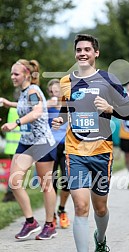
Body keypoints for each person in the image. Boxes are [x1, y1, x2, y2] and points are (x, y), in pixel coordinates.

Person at [52, 34, 129, 252]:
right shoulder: (65, 81)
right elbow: (65, 109)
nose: (82, 53)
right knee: (80, 206)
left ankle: (100, 239)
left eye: (87, 49)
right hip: (75, 151)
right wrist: (60, 118)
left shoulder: (109, 80)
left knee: (100, 208)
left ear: (96, 53)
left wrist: (110, 109)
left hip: (101, 151)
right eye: (79, 50)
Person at [0, 59, 57, 240]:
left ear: (26, 74)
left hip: (41, 143)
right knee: (14, 182)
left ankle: (50, 225)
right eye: (11, 74)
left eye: (16, 74)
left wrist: (15, 123)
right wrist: (10, 103)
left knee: (45, 185)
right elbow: (27, 107)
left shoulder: (33, 91)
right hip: (26, 142)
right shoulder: (24, 93)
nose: (12, 77)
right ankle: (31, 221)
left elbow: (37, 111)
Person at [47, 79, 70, 228]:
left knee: (67, 180)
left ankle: (62, 209)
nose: (55, 94)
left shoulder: (67, 105)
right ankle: (52, 215)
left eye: (57, 91)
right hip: (51, 146)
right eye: (52, 92)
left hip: (67, 146)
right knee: (52, 181)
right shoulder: (46, 106)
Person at [2, 88, 21, 202]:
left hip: (11, 146)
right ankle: (10, 193)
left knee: (14, 172)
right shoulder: (18, 110)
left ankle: (11, 193)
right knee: (16, 173)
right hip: (17, 146)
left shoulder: (12, 110)